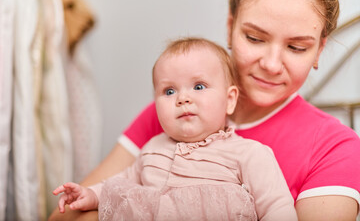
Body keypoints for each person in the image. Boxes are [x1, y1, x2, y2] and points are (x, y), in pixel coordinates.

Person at [49, 0, 360, 220]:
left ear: (319, 50)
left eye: (296, 47)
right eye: (255, 38)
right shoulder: (174, 115)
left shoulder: (336, 149)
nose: (271, 64)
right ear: (229, 27)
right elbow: (68, 213)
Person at [53, 37, 298, 220]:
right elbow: (118, 183)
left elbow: (277, 207)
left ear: (230, 99)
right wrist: (91, 195)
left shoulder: (248, 153)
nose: (183, 98)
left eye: (199, 86)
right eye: (169, 91)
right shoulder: (152, 150)